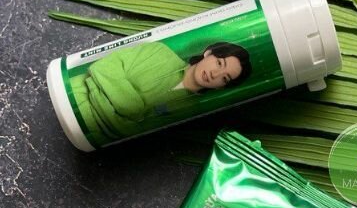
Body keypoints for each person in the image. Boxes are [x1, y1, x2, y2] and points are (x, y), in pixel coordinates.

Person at [70, 41, 252, 143]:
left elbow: (130, 132)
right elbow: (103, 67)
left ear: (221, 87)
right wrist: (133, 108)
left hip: (87, 135)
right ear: (209, 53)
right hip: (73, 94)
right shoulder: (159, 52)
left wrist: (96, 87)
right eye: (219, 63)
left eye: (225, 78)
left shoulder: (189, 112)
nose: (215, 74)